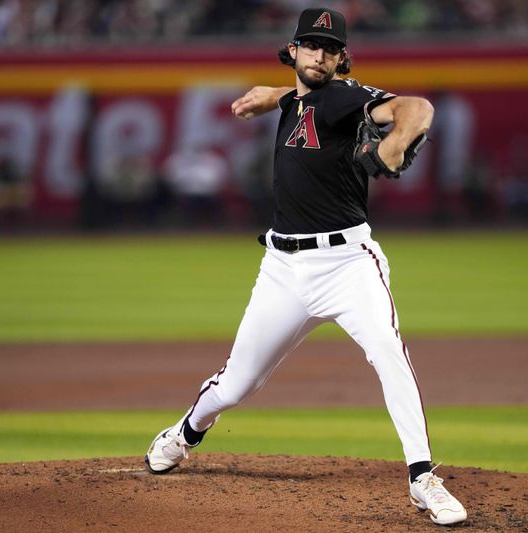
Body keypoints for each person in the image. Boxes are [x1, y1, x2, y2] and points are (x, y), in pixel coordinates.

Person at [144, 7, 467, 527]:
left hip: (347, 264)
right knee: (238, 383)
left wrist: (395, 141)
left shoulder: (346, 98)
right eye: (310, 45)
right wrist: (271, 95)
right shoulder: (295, 97)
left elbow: (418, 106)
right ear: (293, 50)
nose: (319, 54)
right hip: (282, 270)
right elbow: (295, 95)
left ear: (342, 58)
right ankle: (184, 434)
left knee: (388, 351)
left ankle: (423, 478)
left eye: (330, 48)